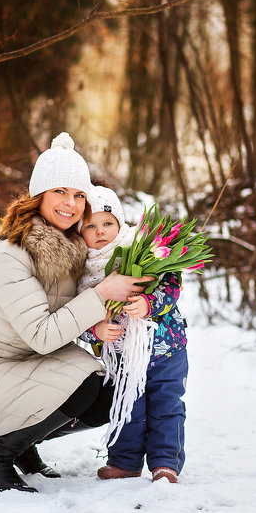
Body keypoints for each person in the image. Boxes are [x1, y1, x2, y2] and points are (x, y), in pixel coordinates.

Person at [0, 133, 152, 493]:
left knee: (110, 390)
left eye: (79, 195)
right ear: (38, 195)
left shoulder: (74, 248)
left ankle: (23, 448)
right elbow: (42, 336)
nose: (70, 203)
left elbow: (79, 312)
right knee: (85, 381)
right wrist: (103, 293)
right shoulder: (11, 253)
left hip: (26, 367)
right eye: (59, 191)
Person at [77, 185, 189, 484]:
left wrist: (149, 303)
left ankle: (165, 463)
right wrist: (96, 331)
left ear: (120, 223)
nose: (100, 231)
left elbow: (171, 286)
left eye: (107, 223)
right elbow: (76, 314)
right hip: (122, 355)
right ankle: (125, 462)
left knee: (166, 406)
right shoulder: (81, 270)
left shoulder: (142, 249)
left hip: (166, 349)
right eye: (90, 226)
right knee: (127, 406)